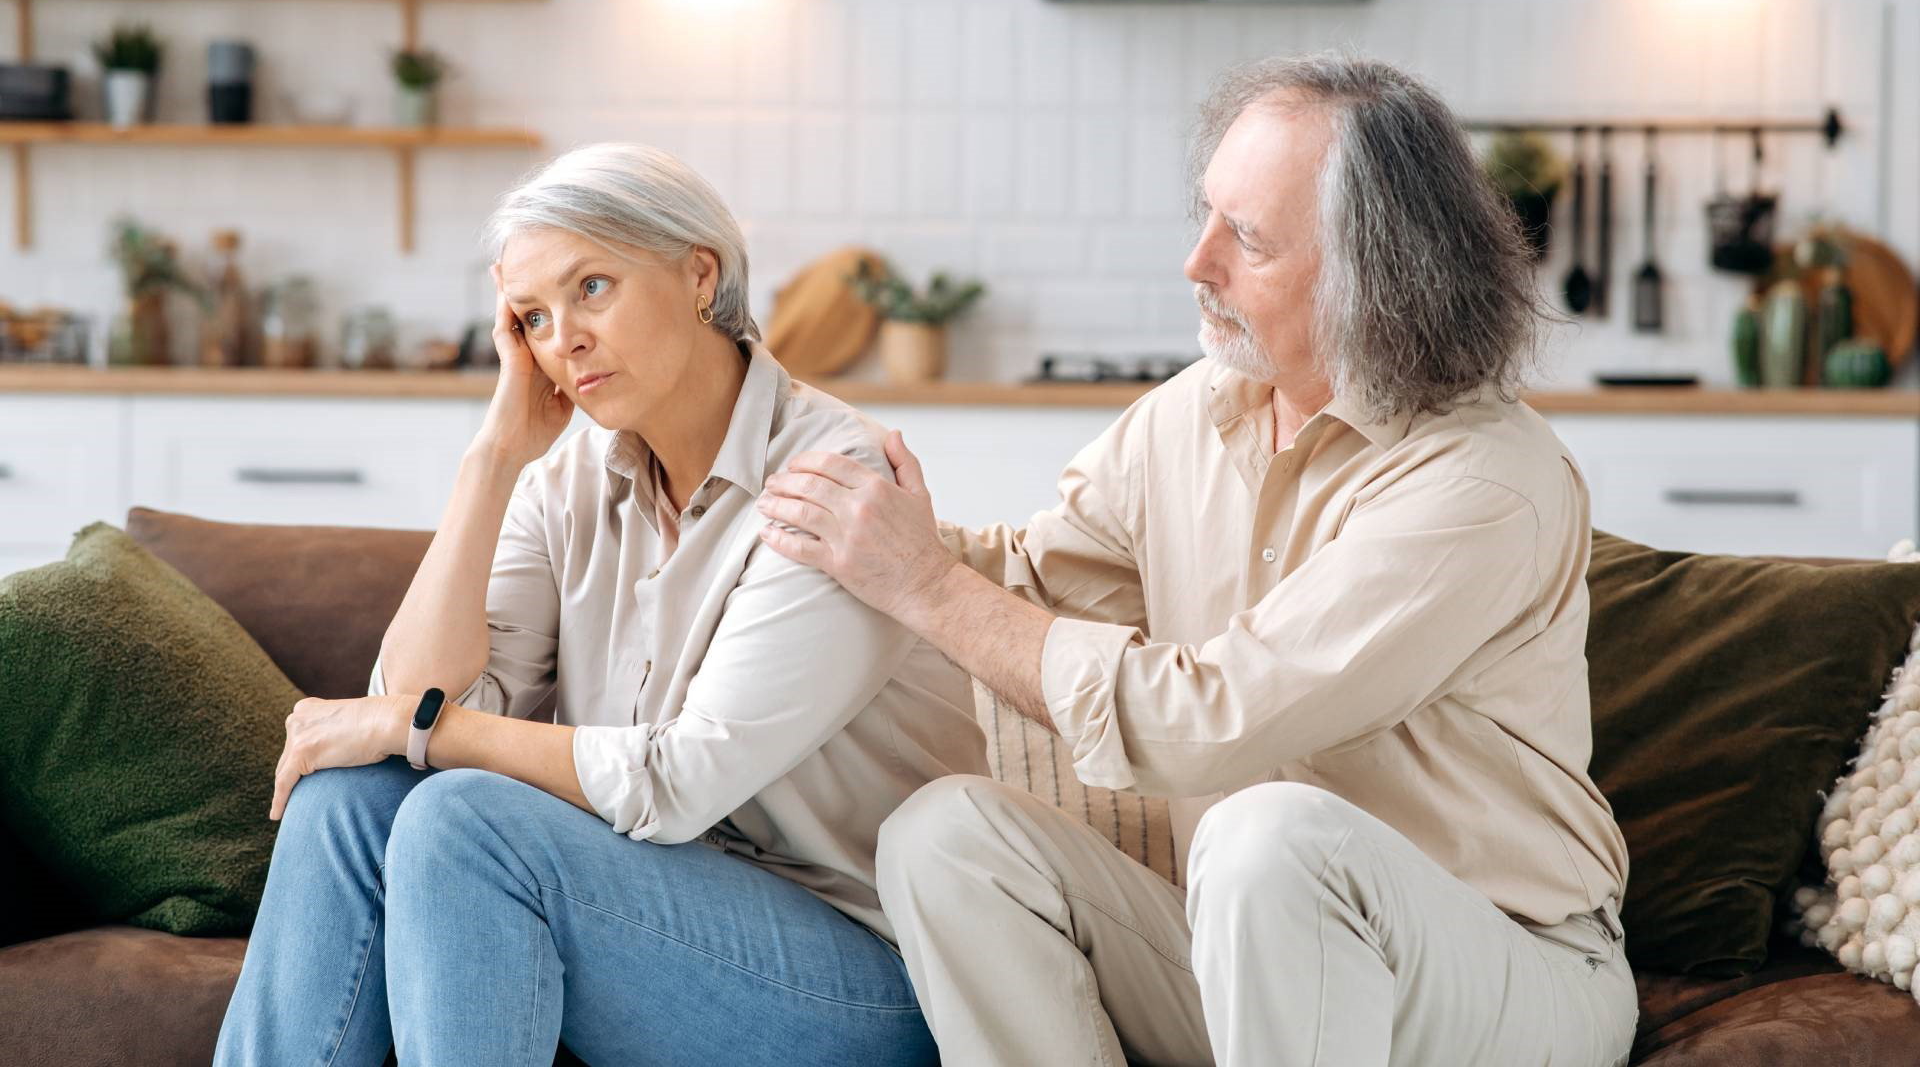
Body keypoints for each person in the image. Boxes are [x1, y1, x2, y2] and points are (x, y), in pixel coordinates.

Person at [755, 54, 1636, 1067]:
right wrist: (829, 519)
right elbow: (1038, 583)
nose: (1197, 261)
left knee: (1270, 839)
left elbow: (1204, 723)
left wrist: (920, 583)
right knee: (947, 837)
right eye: (1205, 214)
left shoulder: (1482, 483)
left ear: (1373, 276)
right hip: (1260, 951)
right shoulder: (1197, 409)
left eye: (1246, 238)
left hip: (1504, 983)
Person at [214, 143, 985, 1067]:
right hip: (650, 905)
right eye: (533, 318)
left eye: (592, 288)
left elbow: (674, 779)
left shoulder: (835, 481)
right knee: (355, 795)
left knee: (460, 819)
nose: (563, 340)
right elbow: (422, 698)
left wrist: (417, 729)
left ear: (700, 274)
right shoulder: (568, 476)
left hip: (865, 981)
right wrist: (493, 457)